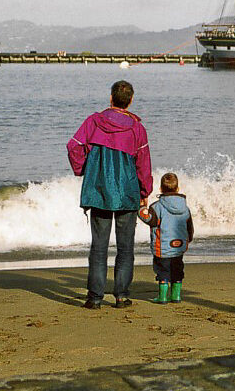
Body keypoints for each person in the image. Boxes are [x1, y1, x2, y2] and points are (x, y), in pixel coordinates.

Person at [67, 80, 152, 309]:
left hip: (99, 191)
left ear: (111, 98)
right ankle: (121, 296)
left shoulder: (94, 121)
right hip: (127, 193)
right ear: (130, 100)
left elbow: (73, 147)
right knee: (125, 248)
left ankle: (95, 298)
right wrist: (145, 191)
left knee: (99, 246)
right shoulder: (137, 128)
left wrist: (85, 169)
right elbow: (143, 164)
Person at [140, 172, 194, 304]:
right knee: (177, 270)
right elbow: (189, 226)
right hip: (179, 246)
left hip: (162, 247)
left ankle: (163, 297)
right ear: (177, 188)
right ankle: (176, 296)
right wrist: (188, 238)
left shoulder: (156, 207)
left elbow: (149, 219)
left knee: (163, 271)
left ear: (160, 189)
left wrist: (141, 208)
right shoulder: (185, 207)